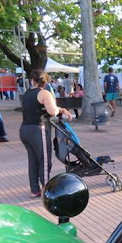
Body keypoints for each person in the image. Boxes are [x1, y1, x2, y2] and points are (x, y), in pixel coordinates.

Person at [20, 69, 73, 198]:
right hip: (38, 129)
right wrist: (58, 110)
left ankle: (34, 190)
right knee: (44, 161)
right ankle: (46, 189)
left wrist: (60, 109)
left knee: (33, 160)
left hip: (25, 129)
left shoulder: (27, 93)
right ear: (45, 81)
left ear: (32, 80)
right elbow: (52, 111)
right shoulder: (44, 93)